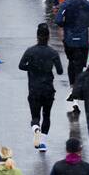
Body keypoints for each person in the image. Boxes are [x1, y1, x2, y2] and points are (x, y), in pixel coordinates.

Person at [18, 23, 63, 152]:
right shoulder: (53, 52)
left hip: (34, 88)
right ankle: (42, 142)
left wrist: (31, 67)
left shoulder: (30, 51)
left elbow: (20, 65)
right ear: (48, 36)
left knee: (35, 117)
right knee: (47, 115)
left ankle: (35, 128)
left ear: (37, 36)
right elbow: (60, 71)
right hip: (48, 89)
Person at [54, 0, 89, 97]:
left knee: (71, 62)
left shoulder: (66, 4)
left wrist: (66, 24)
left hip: (69, 39)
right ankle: (78, 88)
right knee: (80, 65)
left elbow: (58, 20)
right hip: (83, 41)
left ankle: (72, 85)